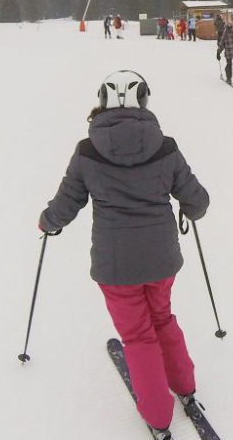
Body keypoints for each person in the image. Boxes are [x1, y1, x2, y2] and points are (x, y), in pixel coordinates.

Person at [38, 70, 210, 440]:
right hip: (161, 259)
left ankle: (159, 418)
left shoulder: (87, 151)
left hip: (116, 267)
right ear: (144, 101)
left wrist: (48, 222)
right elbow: (197, 200)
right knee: (162, 318)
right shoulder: (166, 147)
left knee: (138, 336)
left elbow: (67, 201)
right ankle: (184, 387)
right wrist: (191, 210)